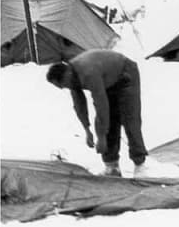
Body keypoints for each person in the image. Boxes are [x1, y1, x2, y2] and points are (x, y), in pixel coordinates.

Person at [46, 49, 148, 178]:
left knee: (130, 119)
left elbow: (101, 105)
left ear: (67, 74)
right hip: (108, 81)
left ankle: (140, 164)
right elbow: (79, 105)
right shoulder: (72, 78)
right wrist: (87, 130)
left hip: (125, 74)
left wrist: (101, 137)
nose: (62, 87)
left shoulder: (88, 73)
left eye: (62, 84)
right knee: (110, 122)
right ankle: (112, 166)